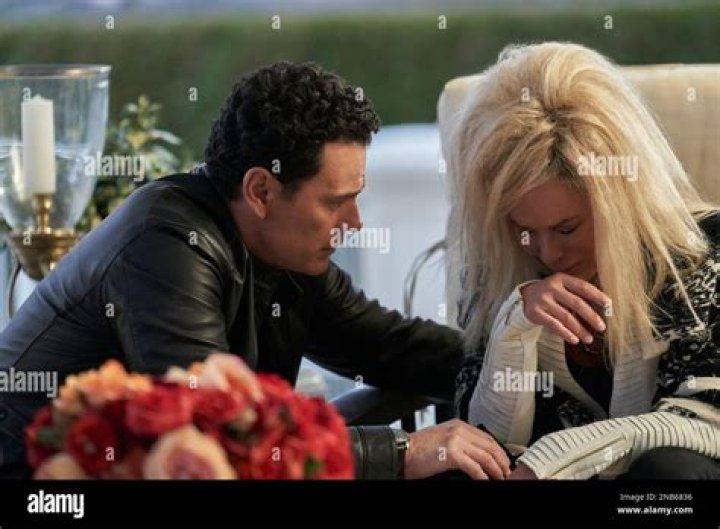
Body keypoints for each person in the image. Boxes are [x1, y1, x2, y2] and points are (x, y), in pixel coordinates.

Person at [0, 61, 510, 480]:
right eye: (335, 202)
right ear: (261, 191)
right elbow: (219, 434)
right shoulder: (166, 243)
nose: (354, 222)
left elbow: (391, 346)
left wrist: (524, 359)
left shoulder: (285, 251)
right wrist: (402, 451)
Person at [449, 42, 720, 479]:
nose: (548, 254)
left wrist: (552, 461)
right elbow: (484, 441)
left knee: (668, 470)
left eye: (567, 228)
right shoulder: (497, 268)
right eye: (524, 229)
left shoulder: (702, 255)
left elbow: (708, 421)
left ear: (619, 203)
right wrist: (515, 327)